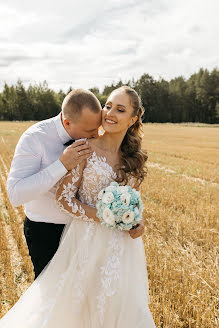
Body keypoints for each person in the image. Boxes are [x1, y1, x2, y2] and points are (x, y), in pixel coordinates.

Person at [1, 86, 156, 327]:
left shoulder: (134, 157)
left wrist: (137, 221)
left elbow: (134, 200)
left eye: (120, 109)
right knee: (69, 307)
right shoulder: (83, 148)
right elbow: (62, 198)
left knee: (119, 306)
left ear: (133, 119)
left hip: (121, 247)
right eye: (108, 106)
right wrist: (104, 216)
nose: (110, 113)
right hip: (80, 239)